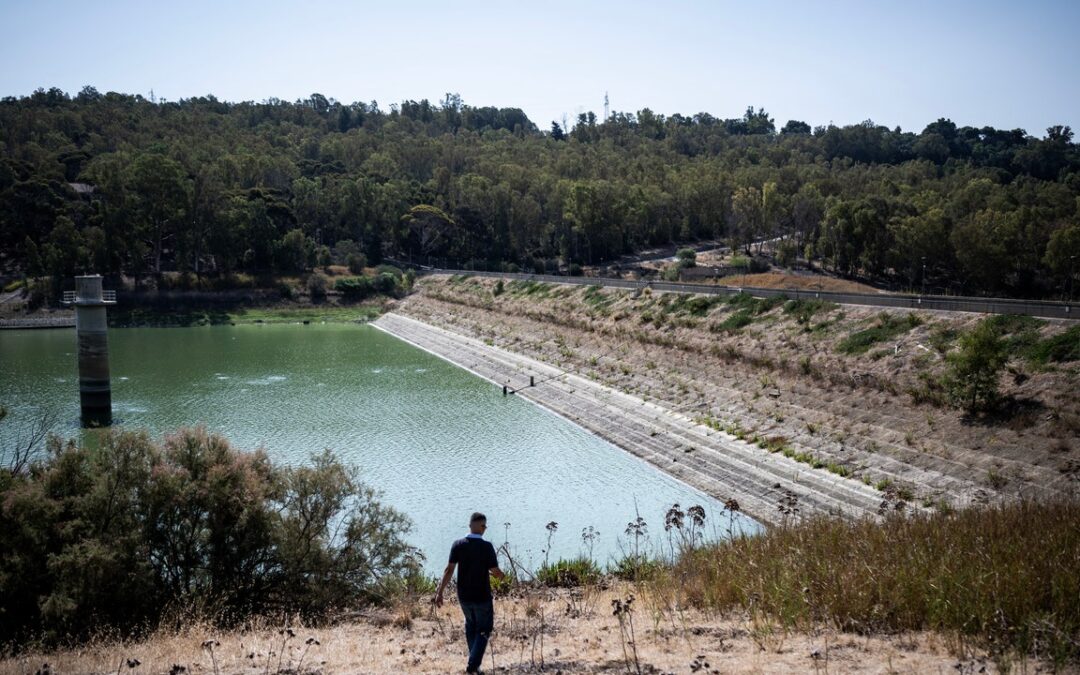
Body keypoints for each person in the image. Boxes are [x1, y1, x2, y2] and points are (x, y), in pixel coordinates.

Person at [434, 512, 505, 674]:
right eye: (483, 525)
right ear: (477, 526)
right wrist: (501, 576)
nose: (484, 528)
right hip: (482, 596)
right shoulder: (486, 547)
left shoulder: (458, 545)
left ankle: (475, 664)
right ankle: (473, 664)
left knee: (471, 625)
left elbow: (449, 570)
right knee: (484, 629)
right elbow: (494, 570)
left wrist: (440, 592)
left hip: (464, 596)